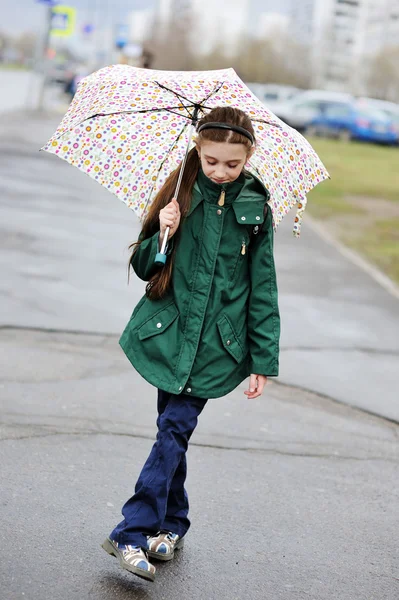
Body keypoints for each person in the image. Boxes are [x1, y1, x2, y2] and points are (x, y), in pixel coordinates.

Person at [102, 106, 280, 582]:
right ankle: (173, 523)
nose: (221, 171)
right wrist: (164, 233)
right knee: (171, 432)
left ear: (248, 158)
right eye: (212, 161)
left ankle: (131, 531)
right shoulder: (179, 192)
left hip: (214, 347)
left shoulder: (257, 210)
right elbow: (144, 267)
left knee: (173, 429)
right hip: (171, 333)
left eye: (232, 164)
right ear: (198, 152)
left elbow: (263, 288)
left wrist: (263, 358)